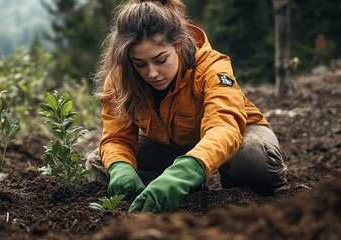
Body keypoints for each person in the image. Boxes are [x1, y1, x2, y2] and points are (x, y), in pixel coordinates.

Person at [86, 0, 287, 213]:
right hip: (171, 147)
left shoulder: (212, 67)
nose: (152, 73)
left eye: (160, 60)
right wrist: (121, 168)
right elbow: (117, 138)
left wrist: (186, 171)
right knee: (100, 163)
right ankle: (170, 185)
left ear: (179, 44)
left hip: (238, 135)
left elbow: (224, 127)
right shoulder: (121, 79)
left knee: (251, 159)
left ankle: (195, 179)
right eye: (140, 64)